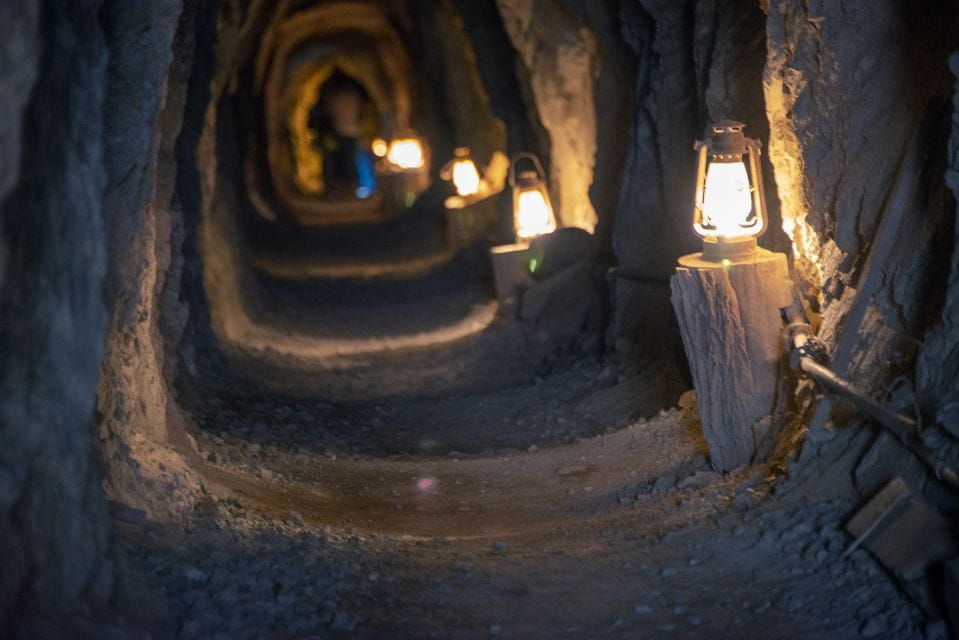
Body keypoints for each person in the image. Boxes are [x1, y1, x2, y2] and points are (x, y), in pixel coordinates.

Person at [308, 72, 377, 199]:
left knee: (341, 162)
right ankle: (348, 190)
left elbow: (324, 112)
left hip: (340, 132)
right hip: (349, 132)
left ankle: (342, 191)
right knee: (347, 162)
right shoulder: (355, 95)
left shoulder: (331, 95)